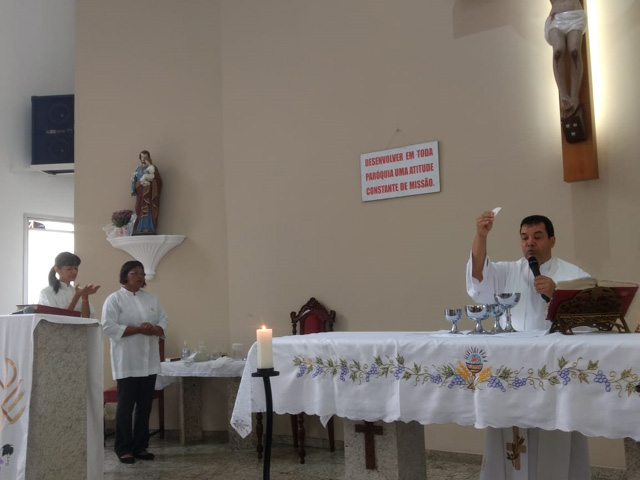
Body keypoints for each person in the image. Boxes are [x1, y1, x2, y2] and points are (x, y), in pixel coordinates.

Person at [466, 211, 591, 479]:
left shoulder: (574, 275)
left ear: (552, 240)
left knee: (555, 442)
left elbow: (590, 320)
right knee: (509, 435)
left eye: (537, 237)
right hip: (512, 369)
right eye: (524, 238)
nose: (530, 243)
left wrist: (558, 295)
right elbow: (478, 277)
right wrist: (481, 236)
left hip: (554, 372)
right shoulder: (508, 271)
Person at [102, 260, 168, 464]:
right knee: (126, 407)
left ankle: (140, 446)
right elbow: (108, 327)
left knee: (145, 406)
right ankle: (123, 448)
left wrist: (155, 329)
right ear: (125, 276)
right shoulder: (114, 299)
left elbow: (163, 320)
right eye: (134, 273)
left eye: (142, 273)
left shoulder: (151, 298)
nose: (139, 276)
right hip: (127, 361)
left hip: (149, 361)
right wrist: (139, 329)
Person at [545, 0, 588, 119]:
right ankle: (563, 95)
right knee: (558, 51)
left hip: (575, 16)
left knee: (574, 51)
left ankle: (574, 96)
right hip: (556, 19)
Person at [38, 251, 100, 318]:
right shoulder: (47, 292)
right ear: (57, 269)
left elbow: (86, 318)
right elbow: (59, 319)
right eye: (69, 269)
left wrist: (85, 295)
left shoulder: (78, 291)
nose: (74, 272)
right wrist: (77, 295)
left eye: (76, 268)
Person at [131, 150, 162, 235]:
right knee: (139, 208)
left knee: (148, 209)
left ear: (148, 158)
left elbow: (158, 181)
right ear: (140, 158)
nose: (143, 159)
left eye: (145, 157)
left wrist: (152, 183)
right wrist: (133, 187)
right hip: (140, 192)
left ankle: (148, 227)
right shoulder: (138, 169)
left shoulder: (152, 167)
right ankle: (140, 228)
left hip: (149, 193)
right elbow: (134, 180)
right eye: (142, 157)